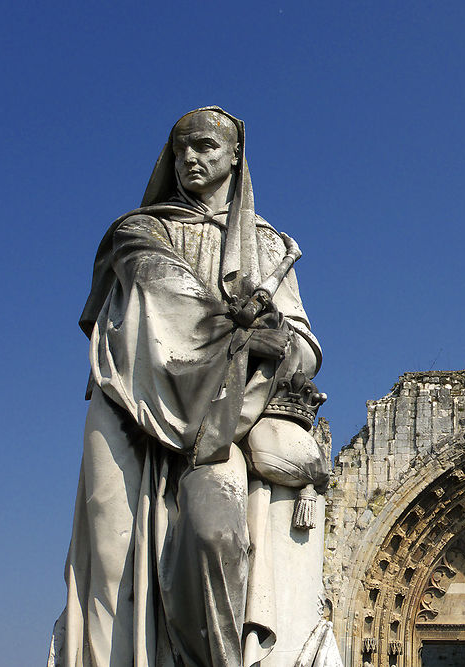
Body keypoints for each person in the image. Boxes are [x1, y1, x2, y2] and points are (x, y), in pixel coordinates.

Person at [49, 108, 323, 667]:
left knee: (213, 533)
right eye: (180, 150)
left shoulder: (269, 247)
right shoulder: (139, 231)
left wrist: (278, 340)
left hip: (218, 423)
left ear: (234, 158)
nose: (191, 159)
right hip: (132, 404)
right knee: (112, 565)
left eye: (204, 147)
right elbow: (161, 297)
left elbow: (304, 347)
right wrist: (235, 333)